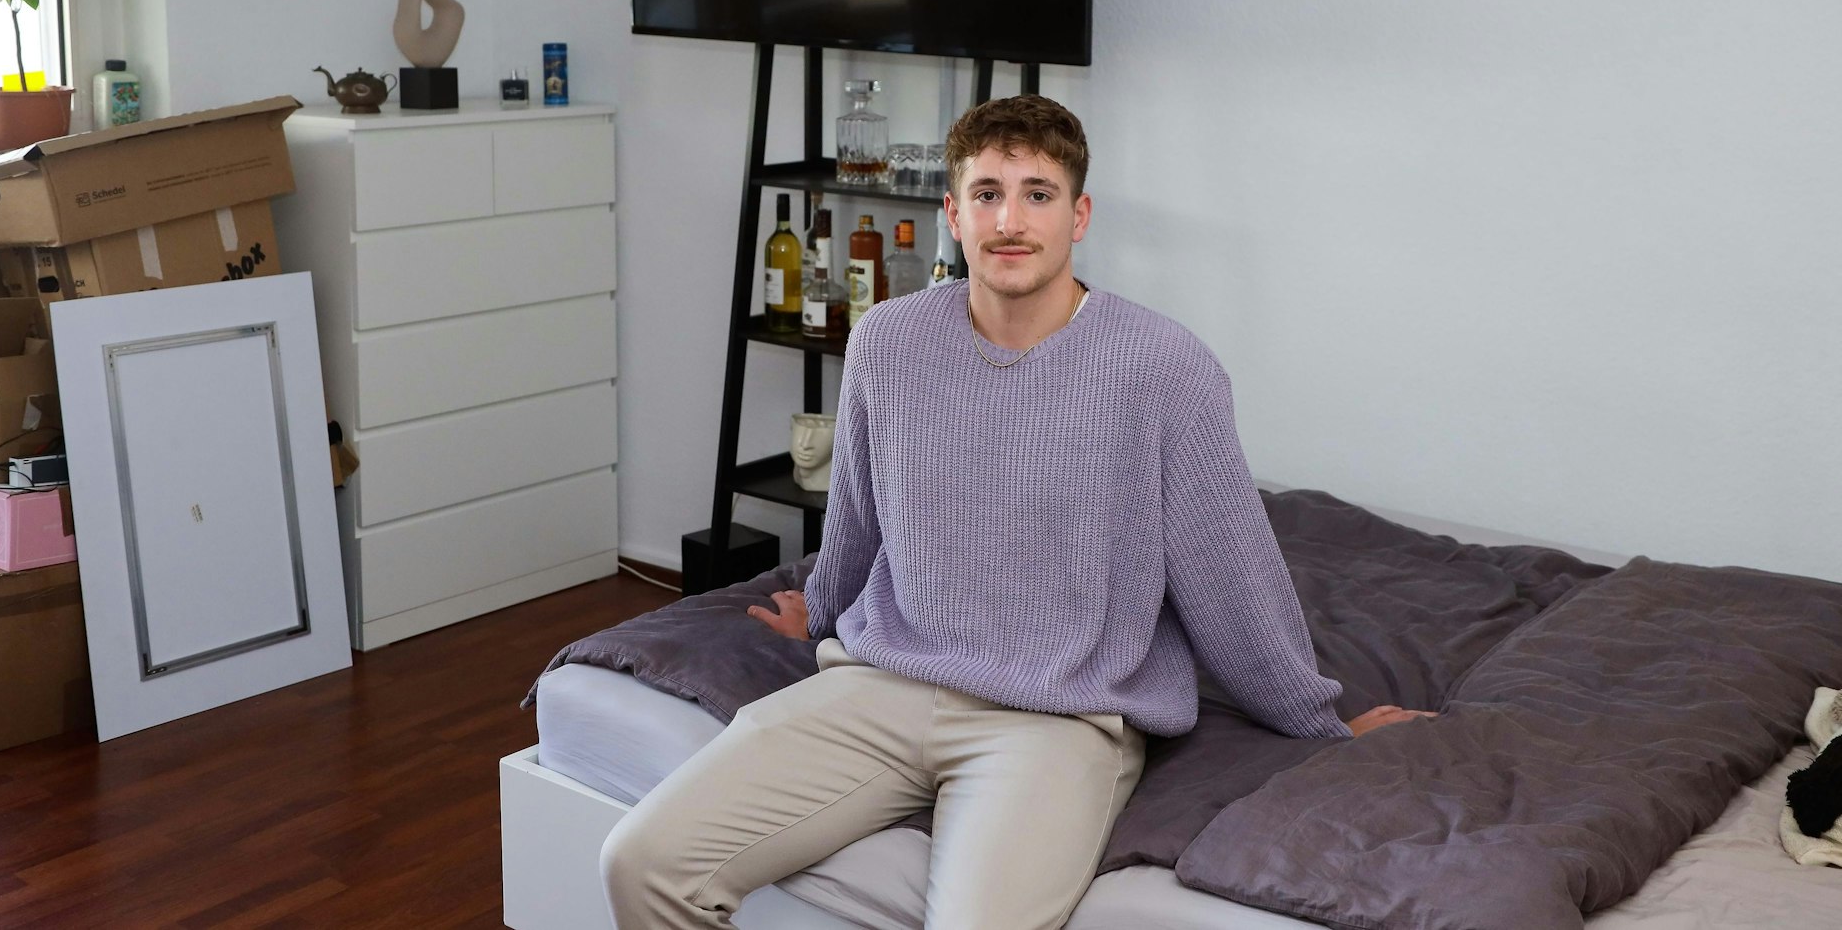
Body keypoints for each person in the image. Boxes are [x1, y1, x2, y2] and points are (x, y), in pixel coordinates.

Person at [600, 95, 1436, 930]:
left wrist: (1319, 718)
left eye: (1037, 193)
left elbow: (1231, 572)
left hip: (1057, 718)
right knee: (641, 861)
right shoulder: (887, 341)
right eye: (988, 193)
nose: (1010, 218)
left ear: (1079, 215)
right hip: (884, 685)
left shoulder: (1164, 366)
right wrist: (818, 610)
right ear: (952, 214)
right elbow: (857, 518)